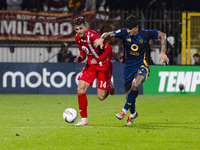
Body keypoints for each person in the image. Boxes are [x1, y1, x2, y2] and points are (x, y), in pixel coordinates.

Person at [94, 15, 169, 125]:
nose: (128, 31)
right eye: (127, 28)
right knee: (129, 94)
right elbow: (108, 34)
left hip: (141, 65)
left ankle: (123, 111)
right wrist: (101, 38)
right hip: (128, 68)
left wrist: (163, 52)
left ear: (136, 27)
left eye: (131, 29)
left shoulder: (146, 34)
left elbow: (163, 35)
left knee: (136, 84)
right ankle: (133, 113)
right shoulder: (123, 33)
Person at [73, 17, 115, 125]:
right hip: (91, 66)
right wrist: (80, 58)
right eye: (76, 29)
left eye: (80, 28)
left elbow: (109, 48)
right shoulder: (77, 38)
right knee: (80, 88)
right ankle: (84, 119)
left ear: (85, 26)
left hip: (103, 66)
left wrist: (98, 59)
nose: (79, 31)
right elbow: (83, 53)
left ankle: (108, 86)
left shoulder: (93, 36)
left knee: (101, 97)